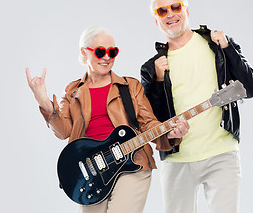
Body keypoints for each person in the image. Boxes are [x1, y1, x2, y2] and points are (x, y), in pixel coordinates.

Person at [26, 26, 189, 213]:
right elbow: (63, 131)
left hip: (132, 164)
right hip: (92, 172)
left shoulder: (130, 86)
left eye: (112, 51)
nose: (107, 57)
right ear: (84, 52)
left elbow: (148, 123)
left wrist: (170, 132)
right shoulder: (72, 92)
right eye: (100, 51)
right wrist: (44, 101)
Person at [140, 0, 253, 213]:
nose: (170, 14)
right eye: (162, 10)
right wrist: (156, 80)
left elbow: (250, 88)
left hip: (221, 153)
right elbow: (148, 120)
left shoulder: (217, 45)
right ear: (156, 20)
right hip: (177, 160)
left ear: (186, 10)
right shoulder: (152, 67)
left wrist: (227, 47)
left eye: (176, 7)